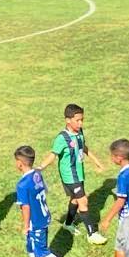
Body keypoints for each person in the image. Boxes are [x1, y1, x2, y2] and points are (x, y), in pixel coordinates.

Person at [39, 103, 107, 245]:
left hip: (79, 174)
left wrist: (97, 161)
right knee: (83, 201)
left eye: (82, 120)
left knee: (75, 200)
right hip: (70, 176)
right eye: (78, 120)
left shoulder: (79, 133)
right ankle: (92, 234)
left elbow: (84, 148)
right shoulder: (62, 138)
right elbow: (53, 155)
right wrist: (40, 167)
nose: (80, 123)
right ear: (68, 120)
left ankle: (68, 224)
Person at [14, 145, 75, 257]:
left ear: (19, 163)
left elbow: (26, 207)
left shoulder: (22, 185)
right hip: (44, 215)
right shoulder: (37, 174)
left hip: (36, 221)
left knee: (41, 250)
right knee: (30, 244)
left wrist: (26, 225)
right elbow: (45, 190)